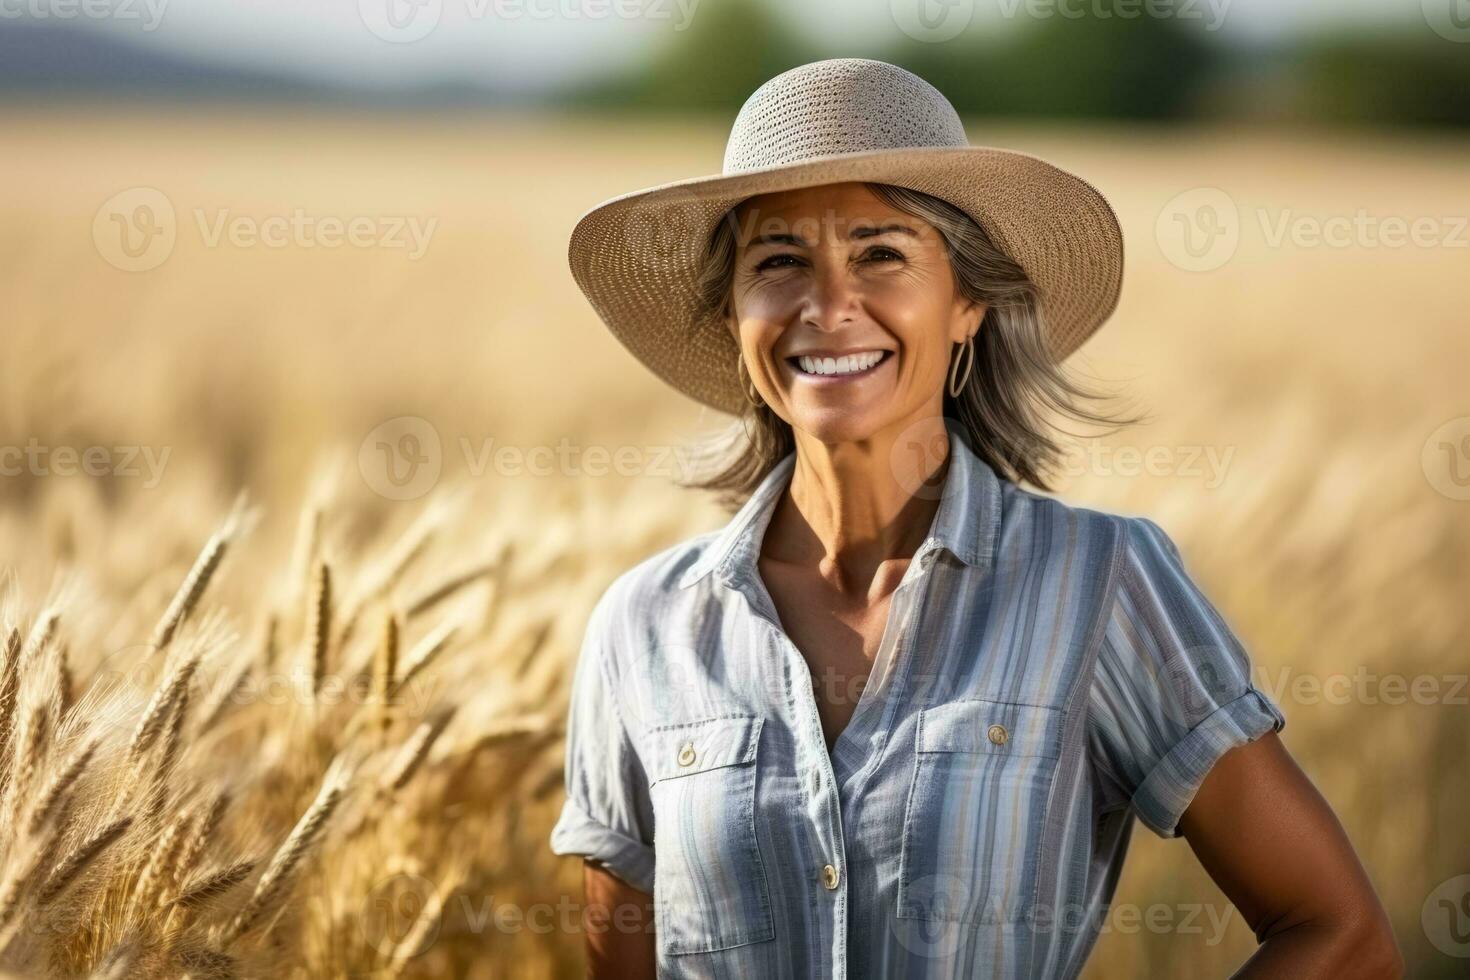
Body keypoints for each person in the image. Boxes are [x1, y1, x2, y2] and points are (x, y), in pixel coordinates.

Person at [550, 58, 1400, 979]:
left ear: (968, 304)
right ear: (732, 313)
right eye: (779, 260)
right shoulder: (643, 628)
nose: (828, 305)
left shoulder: (1097, 581)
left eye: (881, 253)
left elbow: (1340, 933)